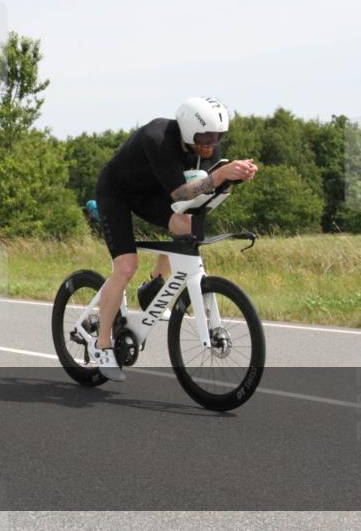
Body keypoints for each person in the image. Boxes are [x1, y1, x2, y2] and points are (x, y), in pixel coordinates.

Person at [91, 97, 258, 382]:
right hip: (117, 193)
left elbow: (201, 191)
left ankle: (154, 285)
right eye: (205, 137)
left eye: (217, 137)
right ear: (187, 130)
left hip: (153, 193)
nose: (210, 144)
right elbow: (181, 194)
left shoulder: (207, 144)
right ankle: (103, 344)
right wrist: (219, 176)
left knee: (185, 223)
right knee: (125, 266)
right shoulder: (157, 137)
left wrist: (234, 177)